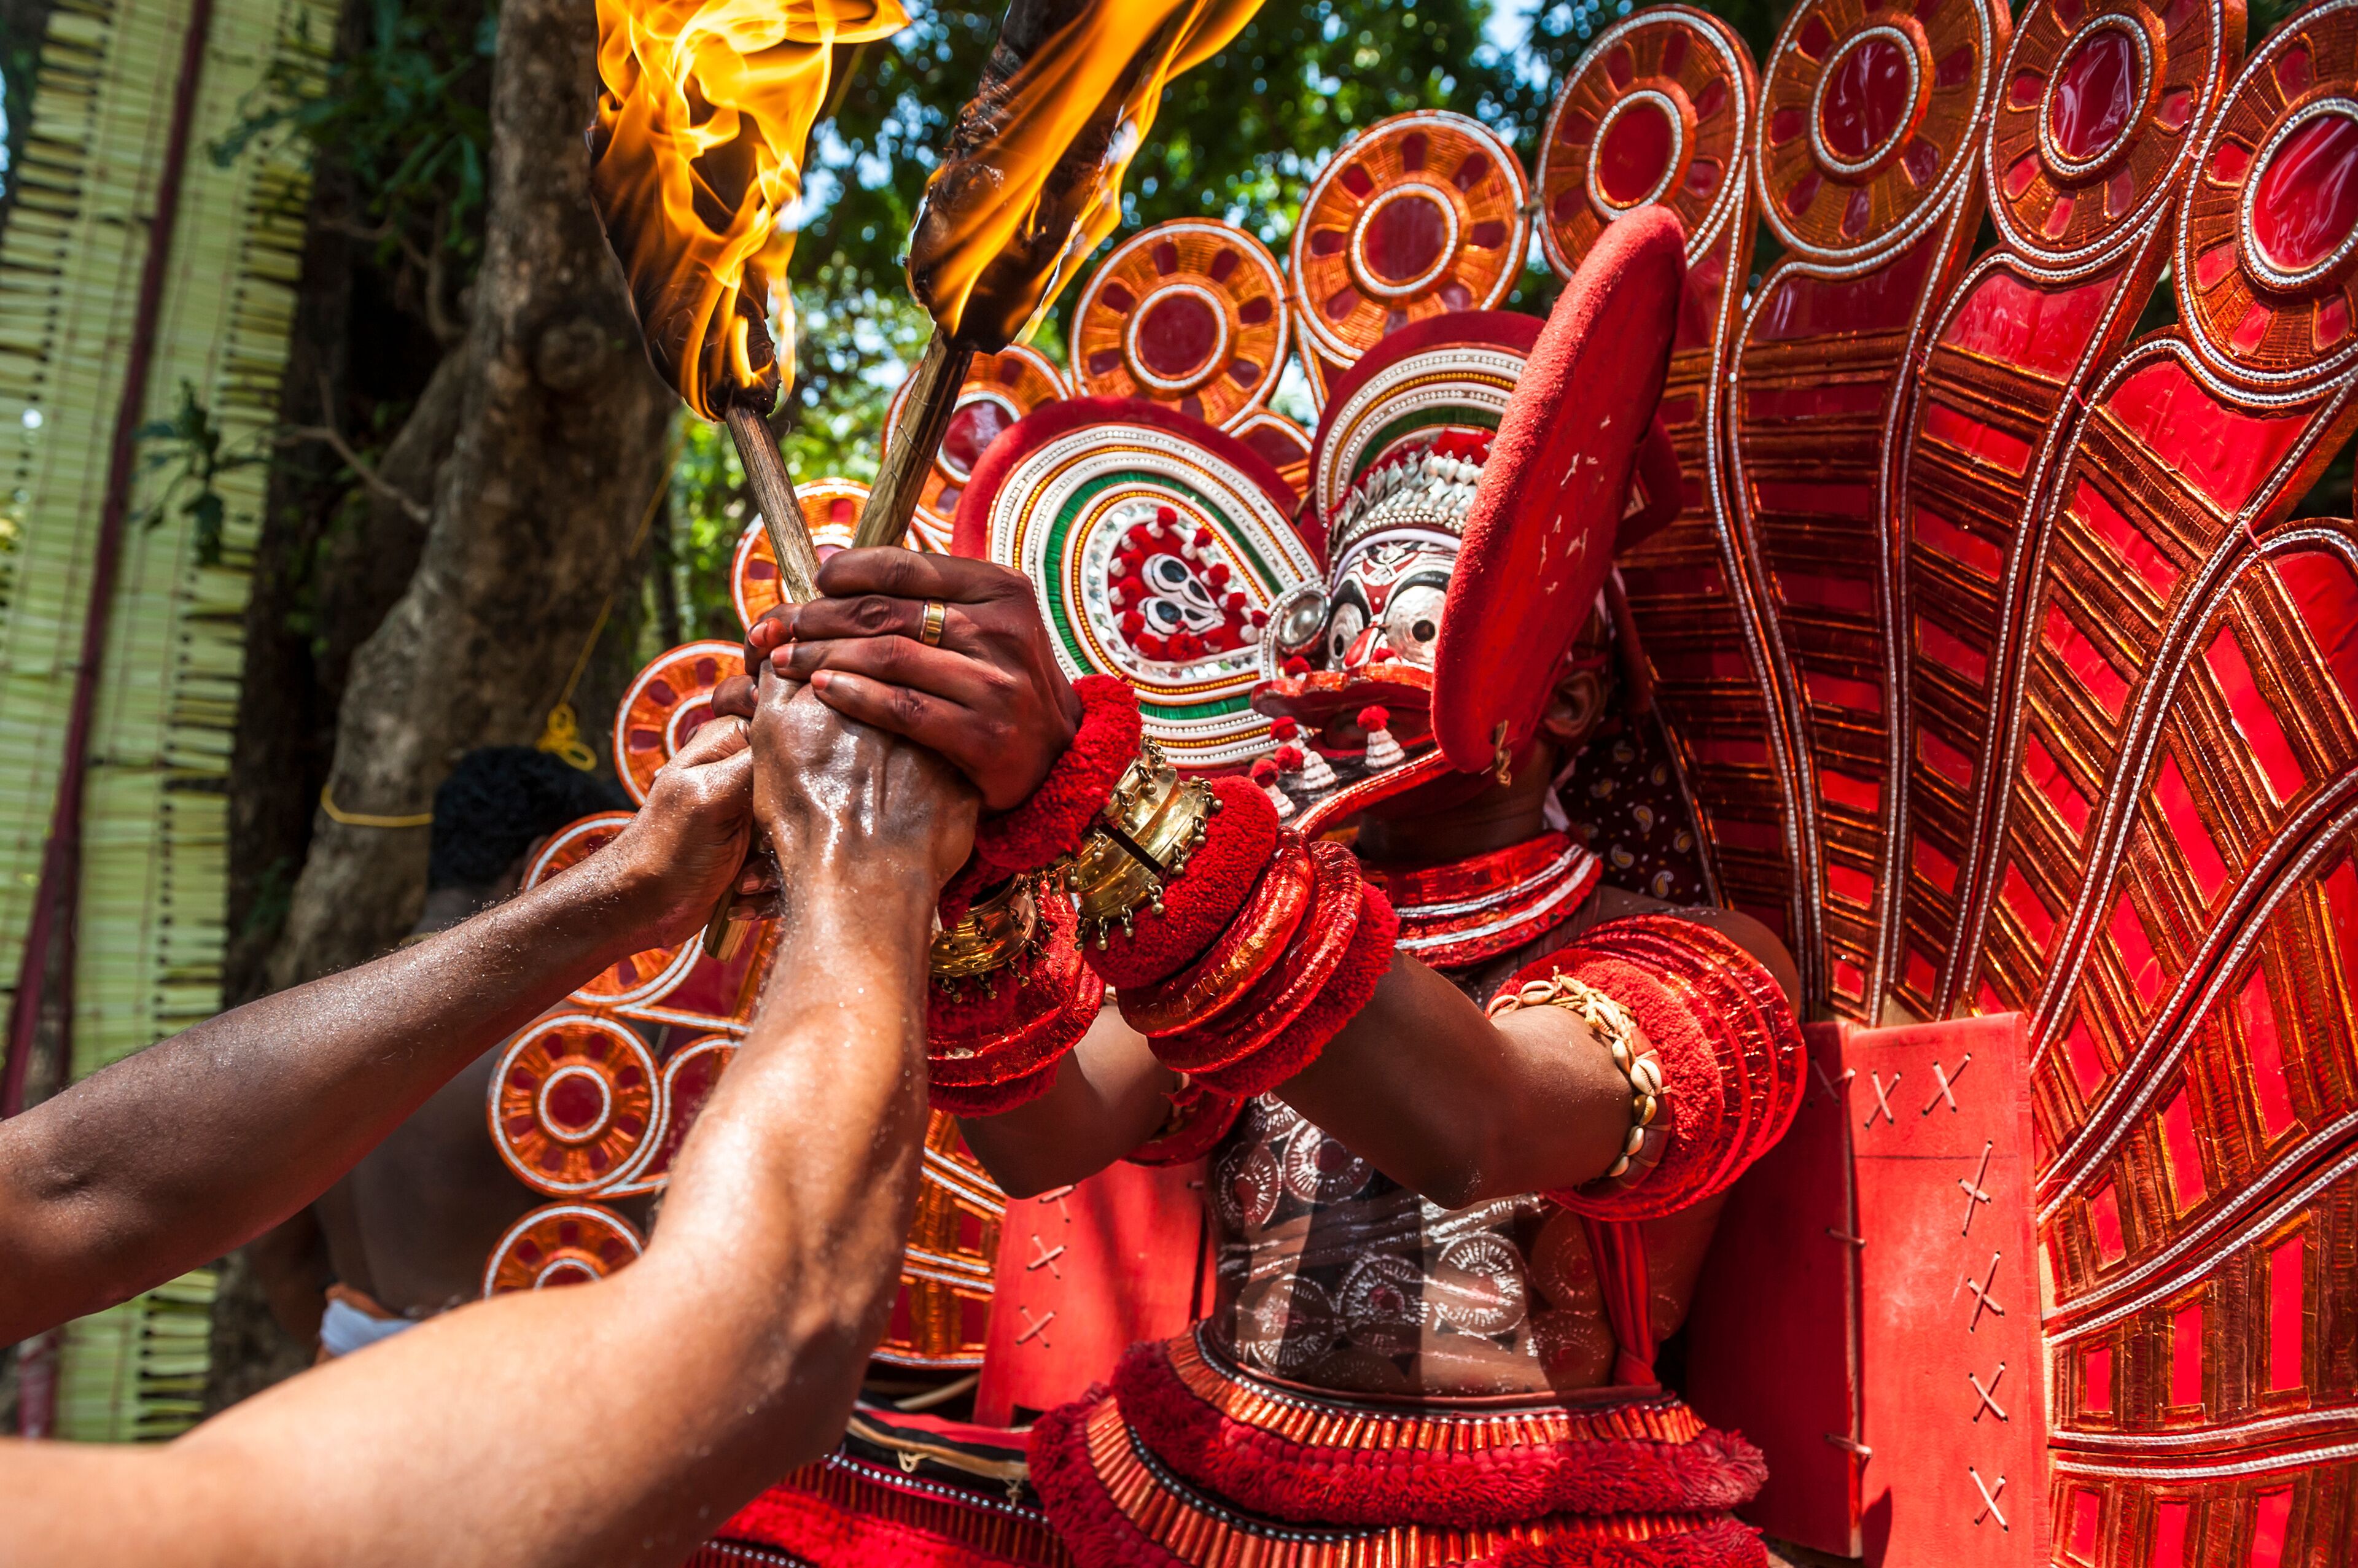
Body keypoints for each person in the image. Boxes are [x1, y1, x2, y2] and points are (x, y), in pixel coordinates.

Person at [725, 211, 1802, 1566]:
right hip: (1194, 1480)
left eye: (1412, 630)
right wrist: (959, 869)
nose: (1343, 682)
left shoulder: (1692, 953)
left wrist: (1099, 794)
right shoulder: (1275, 920)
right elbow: (1044, 1139)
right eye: (1327, 632)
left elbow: (1478, 1120)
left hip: (1535, 1527)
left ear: (1568, 688)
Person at [5, 671, 981, 1567]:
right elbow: (770, 1348)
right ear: (536, 854)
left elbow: (71, 1189)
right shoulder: (563, 1069)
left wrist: (628, 889)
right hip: (524, 1401)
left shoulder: (366, 1047)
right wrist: (865, 863)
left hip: (360, 1369)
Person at [251, 748, 635, 1358]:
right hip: (488, 1400)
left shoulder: (318, 1024)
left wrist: (355, 1359)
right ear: (541, 862)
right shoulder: (556, 1050)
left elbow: (279, 1255)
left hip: (339, 1391)